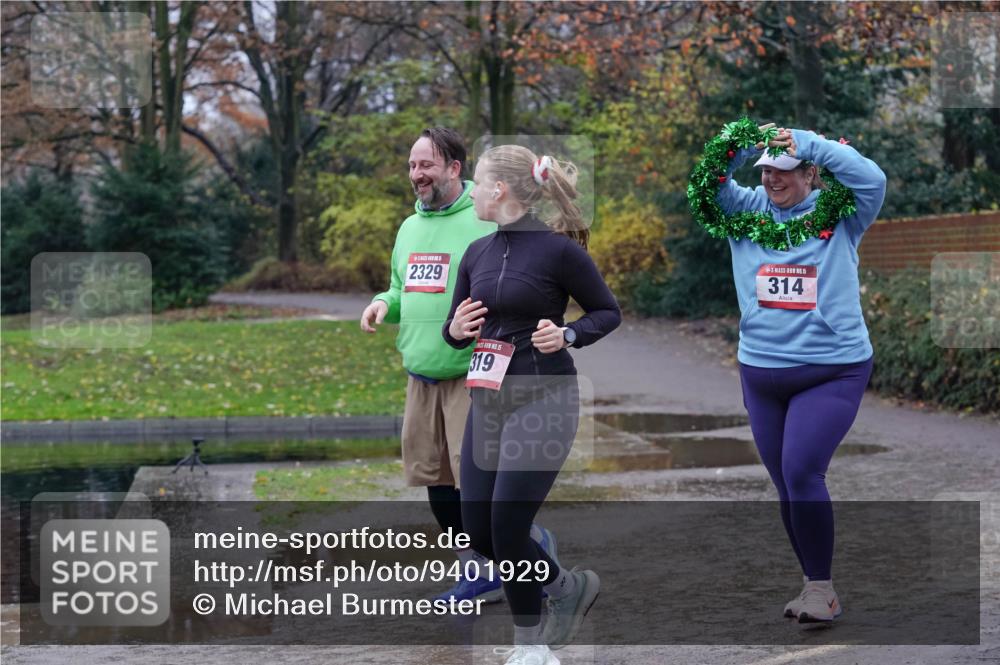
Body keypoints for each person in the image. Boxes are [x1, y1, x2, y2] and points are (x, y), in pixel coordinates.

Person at [360, 128, 557, 606]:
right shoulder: (409, 228)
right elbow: (402, 288)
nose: (416, 174)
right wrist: (384, 303)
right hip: (421, 375)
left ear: (454, 167)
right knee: (437, 485)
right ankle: (479, 569)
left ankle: (527, 550)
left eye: (426, 164)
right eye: (412, 165)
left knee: (478, 489)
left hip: (476, 376)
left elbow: (523, 278)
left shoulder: (485, 216)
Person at [443, 145, 621, 664]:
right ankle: (566, 587)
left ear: (500, 190)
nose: (472, 193)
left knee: (507, 525)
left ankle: (531, 646)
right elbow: (455, 330)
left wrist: (568, 334)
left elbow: (607, 312)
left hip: (544, 398)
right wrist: (455, 330)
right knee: (479, 531)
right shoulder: (475, 253)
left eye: (478, 182)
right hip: (488, 401)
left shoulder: (558, 252)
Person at [710, 123, 887, 623]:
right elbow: (711, 183)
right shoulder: (745, 213)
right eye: (765, 170)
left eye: (784, 170)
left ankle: (822, 590)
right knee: (786, 484)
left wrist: (806, 142)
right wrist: (740, 143)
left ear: (810, 173)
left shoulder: (843, 212)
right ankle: (813, 585)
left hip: (831, 369)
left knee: (801, 470)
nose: (772, 178)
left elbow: (873, 178)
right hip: (761, 372)